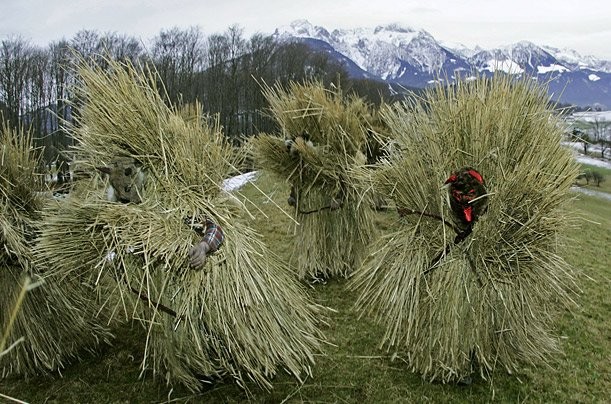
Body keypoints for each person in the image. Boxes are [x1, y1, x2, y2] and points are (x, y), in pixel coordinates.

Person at [97, 156, 224, 268]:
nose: (127, 202)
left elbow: (214, 228)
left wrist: (203, 247)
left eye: (128, 189)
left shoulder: (166, 203)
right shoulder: (117, 213)